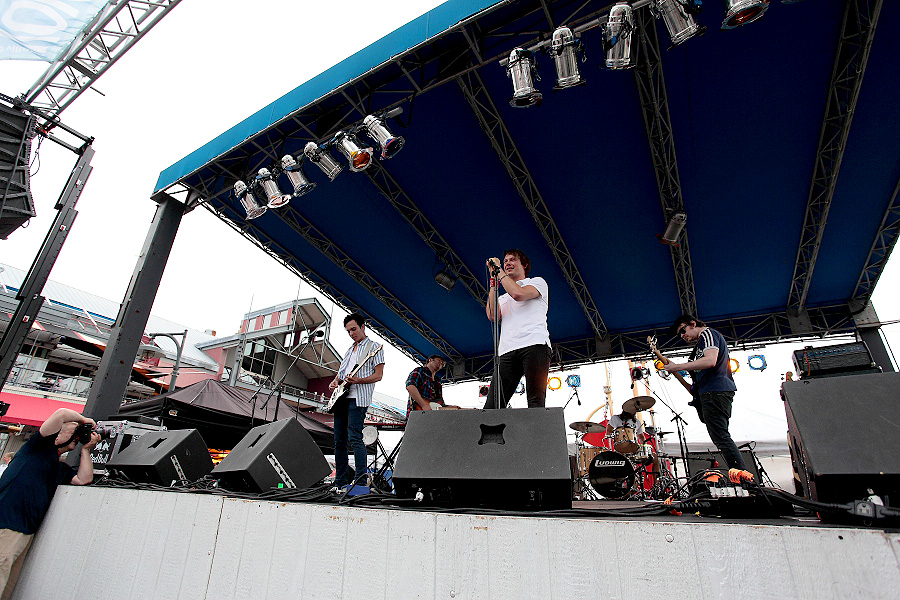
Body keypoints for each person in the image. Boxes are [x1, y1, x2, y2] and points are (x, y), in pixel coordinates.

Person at [0, 408, 100, 598]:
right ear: (58, 434)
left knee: (7, 588)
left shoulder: (57, 465)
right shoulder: (37, 447)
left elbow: (84, 479)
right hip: (6, 526)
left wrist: (85, 450)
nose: (76, 436)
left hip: (24, 531)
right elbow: (61, 413)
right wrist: (83, 419)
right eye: (72, 432)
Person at [663, 314, 752, 482]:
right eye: (679, 335)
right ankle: (742, 478)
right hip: (708, 393)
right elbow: (693, 388)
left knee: (721, 436)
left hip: (716, 391)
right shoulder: (697, 349)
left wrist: (678, 366)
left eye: (683, 330)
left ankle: (744, 479)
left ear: (692, 323)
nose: (683, 336)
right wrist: (676, 372)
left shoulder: (707, 334)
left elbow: (711, 361)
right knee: (720, 437)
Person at [483, 249, 551, 409]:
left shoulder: (536, 282)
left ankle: (536, 434)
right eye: (505, 261)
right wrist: (494, 280)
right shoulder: (502, 296)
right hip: (507, 350)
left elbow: (517, 294)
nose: (507, 263)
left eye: (512, 260)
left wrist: (499, 271)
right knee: (492, 406)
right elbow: (492, 315)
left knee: (535, 401)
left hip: (535, 344)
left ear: (524, 265)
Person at [328, 313, 384, 488]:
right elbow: (342, 372)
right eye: (348, 331)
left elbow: (378, 375)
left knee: (354, 437)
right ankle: (340, 480)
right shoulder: (348, 349)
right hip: (342, 398)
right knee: (339, 440)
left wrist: (359, 380)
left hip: (358, 398)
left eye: (354, 329)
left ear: (362, 327)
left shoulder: (375, 347)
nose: (351, 333)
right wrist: (335, 381)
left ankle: (360, 480)